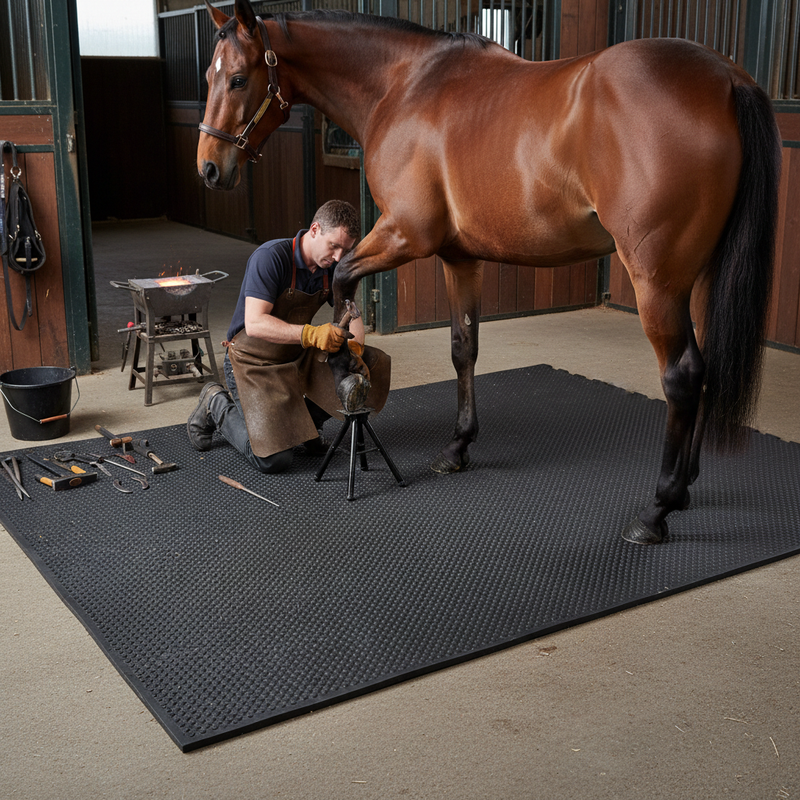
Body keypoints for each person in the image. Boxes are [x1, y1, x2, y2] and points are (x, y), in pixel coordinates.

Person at [187, 200, 390, 473]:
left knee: (372, 363)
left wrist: (353, 350)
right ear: (315, 229)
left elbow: (353, 315)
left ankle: (305, 428)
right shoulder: (270, 257)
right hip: (253, 362)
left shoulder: (333, 267)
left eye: (346, 249)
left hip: (297, 355)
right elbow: (256, 323)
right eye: (334, 246)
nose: (339, 257)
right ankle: (216, 403)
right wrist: (311, 333)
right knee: (273, 460)